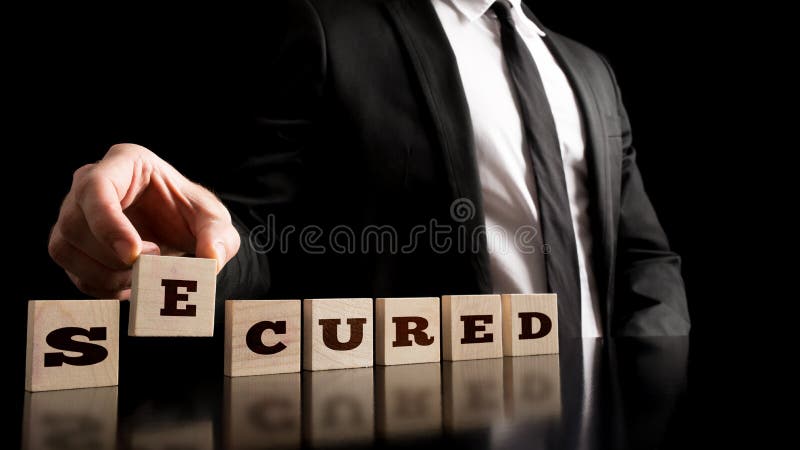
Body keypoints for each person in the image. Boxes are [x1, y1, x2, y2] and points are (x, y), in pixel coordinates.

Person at [47, 0, 689, 338]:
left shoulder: (589, 70)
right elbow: (264, 243)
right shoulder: (330, 29)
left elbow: (644, 256)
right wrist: (194, 252)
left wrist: (650, 367)